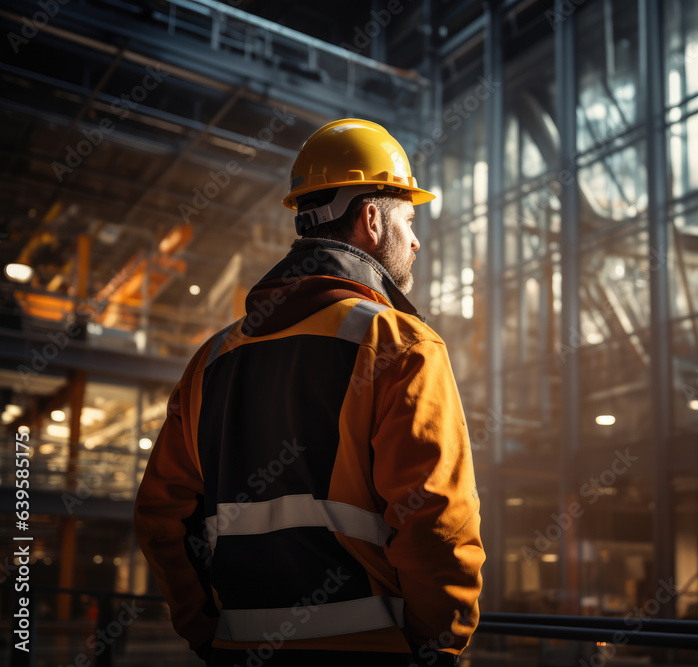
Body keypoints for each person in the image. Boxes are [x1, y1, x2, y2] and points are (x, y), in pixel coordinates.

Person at [134, 119, 485, 667]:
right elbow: (436, 522)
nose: (416, 241)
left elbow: (161, 516)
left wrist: (205, 631)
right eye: (410, 220)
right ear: (371, 218)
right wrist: (438, 644)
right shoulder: (400, 346)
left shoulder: (211, 360)